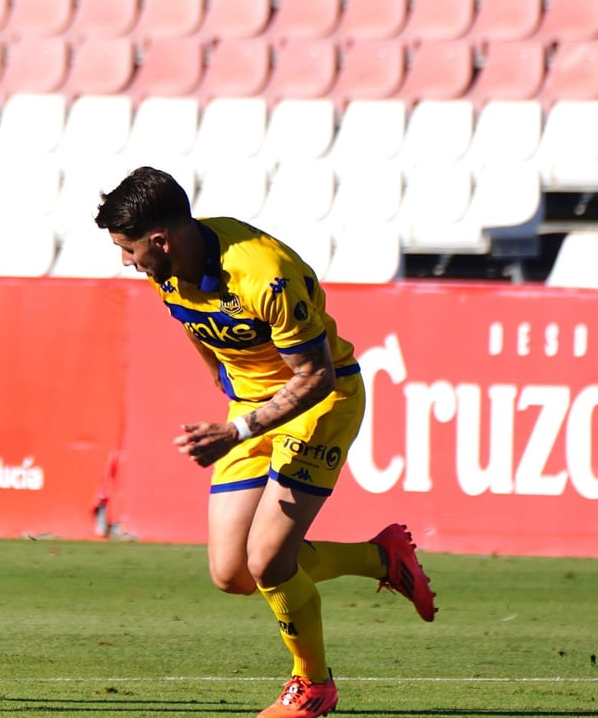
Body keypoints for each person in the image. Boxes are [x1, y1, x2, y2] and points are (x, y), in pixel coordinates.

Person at [94, 167, 435, 718]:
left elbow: (316, 376)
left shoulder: (263, 274)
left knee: (268, 561)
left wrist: (239, 430)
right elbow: (197, 329)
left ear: (159, 239)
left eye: (129, 249)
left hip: (319, 404)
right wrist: (232, 403)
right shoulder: (167, 269)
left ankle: (313, 686)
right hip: (250, 413)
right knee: (232, 573)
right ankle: (381, 559)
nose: (126, 261)